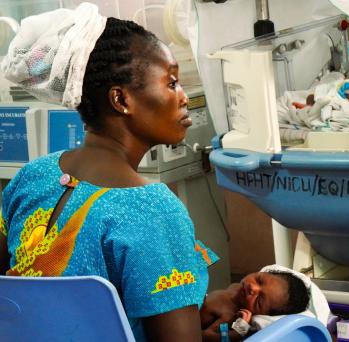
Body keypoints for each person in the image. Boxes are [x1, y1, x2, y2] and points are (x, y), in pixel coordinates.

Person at [0, 3, 217, 341]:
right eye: (171, 83)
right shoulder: (153, 211)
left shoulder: (32, 176)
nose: (184, 97)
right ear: (121, 99)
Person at [200, 269, 312, 341]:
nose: (253, 288)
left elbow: (205, 336)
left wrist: (237, 333)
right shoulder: (237, 287)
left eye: (258, 300)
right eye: (259, 280)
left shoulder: (229, 314)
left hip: (187, 320)